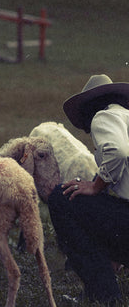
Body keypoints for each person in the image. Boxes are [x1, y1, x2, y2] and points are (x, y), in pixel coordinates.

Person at [48, 74, 129, 305]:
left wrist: (95, 186)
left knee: (61, 198)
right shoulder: (126, 117)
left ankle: (104, 293)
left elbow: (117, 151)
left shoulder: (104, 116)